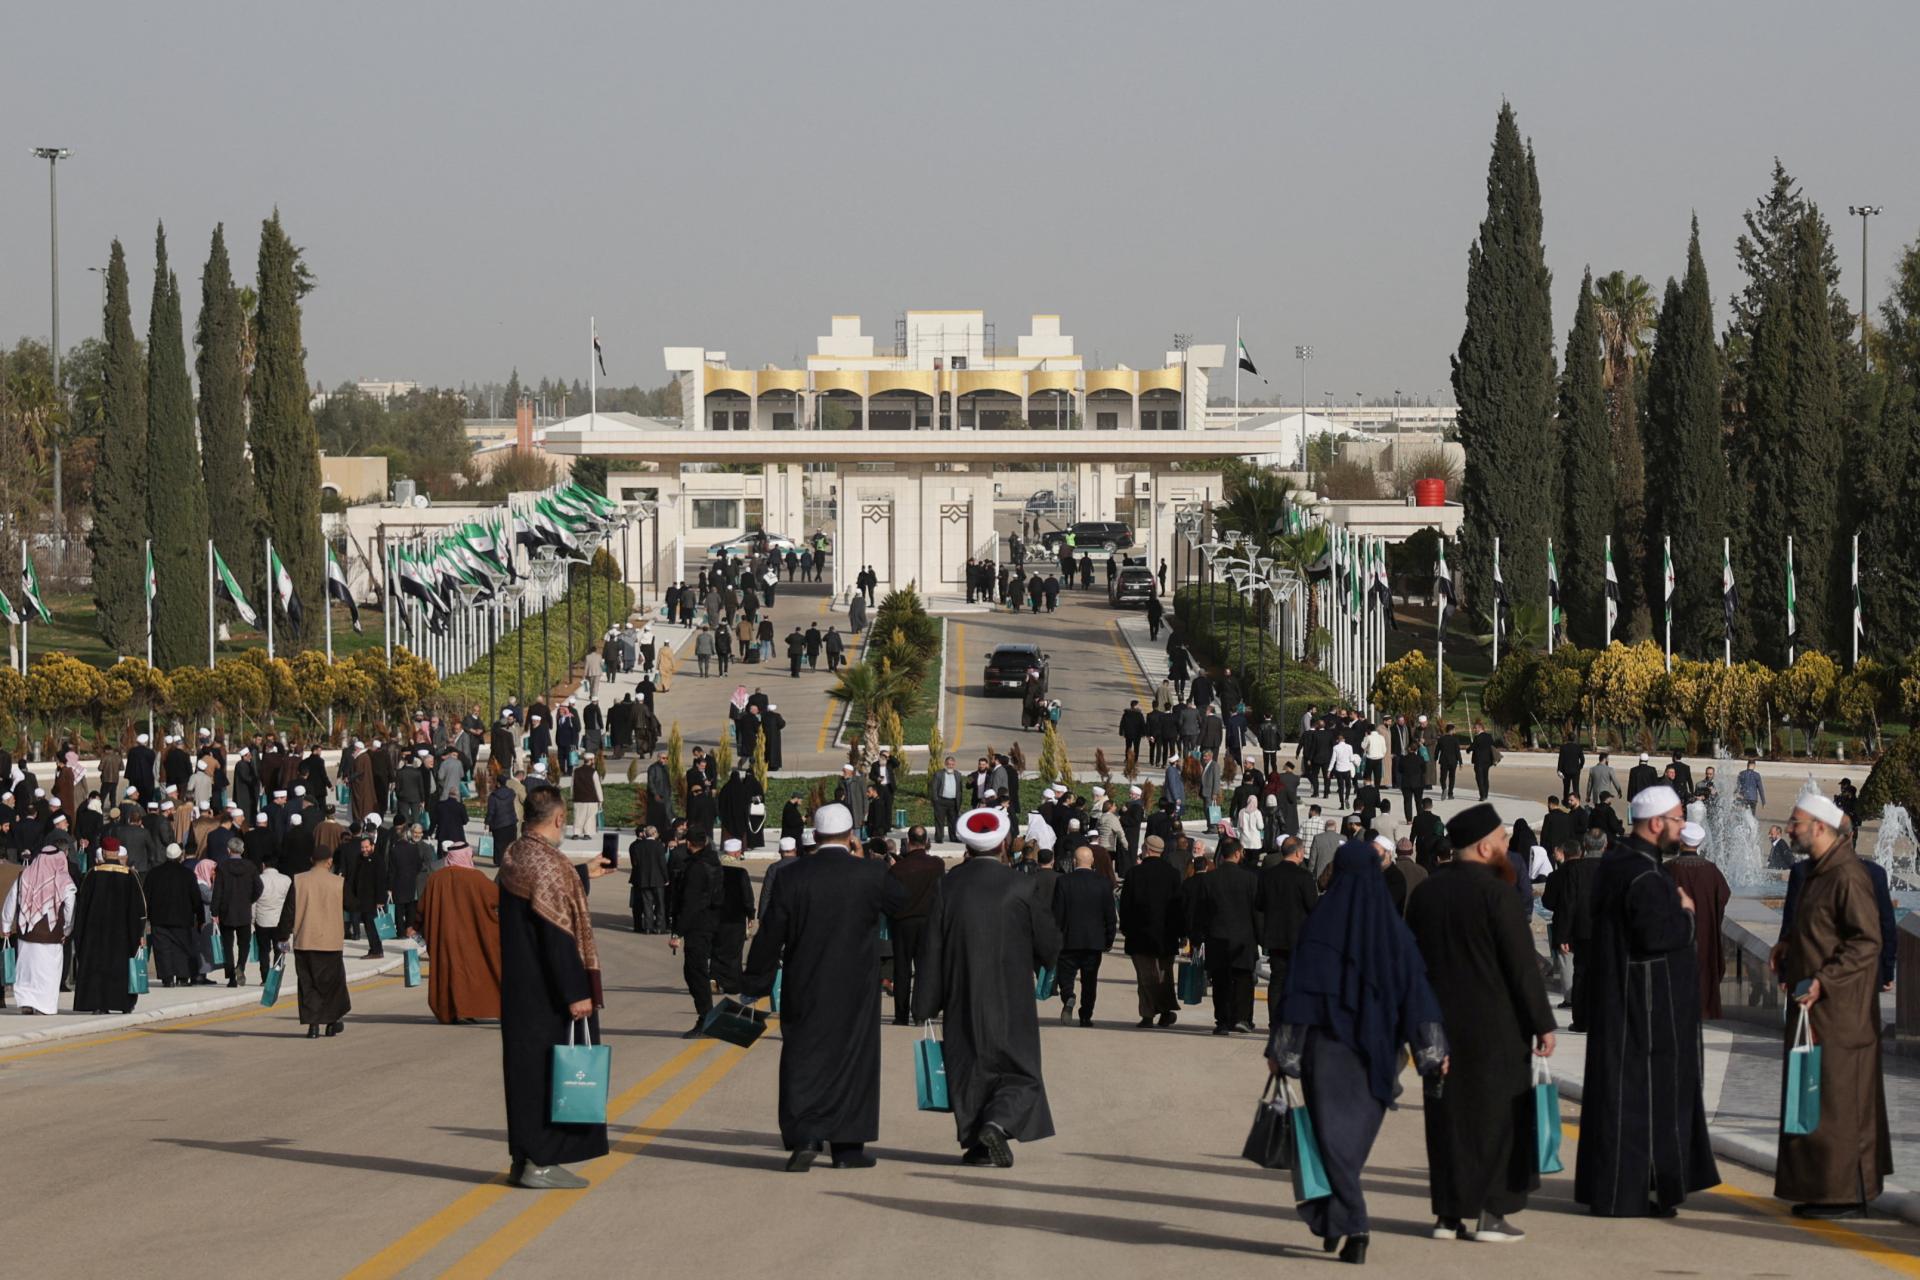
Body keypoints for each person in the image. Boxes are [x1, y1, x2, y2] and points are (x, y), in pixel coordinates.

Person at [1269, 842, 1448, 1264]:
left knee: (1333, 1144)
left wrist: (1283, 1048)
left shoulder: (1320, 926)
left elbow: (1298, 992)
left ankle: (1353, 1223)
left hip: (1326, 1054)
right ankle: (1342, 1220)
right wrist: (1431, 1049)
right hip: (1378, 1056)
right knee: (1345, 1146)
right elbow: (1417, 996)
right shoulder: (1395, 934)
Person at [1404, 803, 1557, 1243]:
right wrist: (1542, 1022)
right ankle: (1492, 1214)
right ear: (1485, 846)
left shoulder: (1427, 893)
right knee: (1498, 1120)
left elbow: (1410, 963)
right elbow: (1521, 965)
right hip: (1496, 1029)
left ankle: (1448, 1214)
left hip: (1439, 1028)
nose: (1508, 847)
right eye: (1503, 840)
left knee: (1447, 1120)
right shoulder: (1497, 895)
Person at [1574, 785, 1719, 1218]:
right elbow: (1657, 936)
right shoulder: (1644, 875)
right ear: (1656, 823)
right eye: (1677, 819)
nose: (1682, 827)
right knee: (1646, 1102)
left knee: (1623, 1098)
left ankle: (1620, 1189)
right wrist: (1687, 913)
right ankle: (1634, 1191)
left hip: (1624, 1001)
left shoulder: (1619, 863)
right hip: (1646, 1011)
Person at [742, 802, 907, 1171]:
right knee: (853, 1060)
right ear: (852, 836)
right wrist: (870, 861)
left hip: (805, 980)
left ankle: (805, 1136)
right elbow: (901, 903)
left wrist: (755, 981)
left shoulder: (792, 876)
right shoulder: (870, 873)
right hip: (855, 985)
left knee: (803, 1057)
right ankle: (847, 1148)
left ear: (814, 836)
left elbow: (771, 934)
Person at [913, 806, 1063, 1167]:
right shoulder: (1021, 885)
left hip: (962, 993)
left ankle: (978, 1145)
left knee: (970, 1067)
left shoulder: (948, 886)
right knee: (1019, 1070)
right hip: (1011, 995)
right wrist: (1046, 960)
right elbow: (1049, 942)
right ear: (1004, 844)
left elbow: (931, 947)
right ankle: (998, 1123)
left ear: (967, 846)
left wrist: (925, 1002)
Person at [1772, 793, 1892, 1218]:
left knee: (1841, 1105)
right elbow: (1820, 927)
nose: (1790, 829)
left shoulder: (1847, 875)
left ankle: (1845, 1194)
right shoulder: (1818, 872)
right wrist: (1789, 944)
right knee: (1816, 1103)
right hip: (1816, 1011)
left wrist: (1825, 979)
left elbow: (1867, 941)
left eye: (1796, 822)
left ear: (1819, 827)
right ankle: (1820, 1190)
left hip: (1842, 1014)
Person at [496, 784, 610, 1189]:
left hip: (521, 991)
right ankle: (541, 1162)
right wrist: (576, 992)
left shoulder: (517, 854)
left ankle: (524, 1158)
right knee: (554, 1076)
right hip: (549, 995)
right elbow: (556, 936)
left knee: (526, 1076)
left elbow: (540, 899)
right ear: (560, 818)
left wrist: (583, 873)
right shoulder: (549, 865)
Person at [419, 840, 503, 1024]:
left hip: (444, 937)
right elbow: (497, 898)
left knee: (449, 973)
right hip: (470, 938)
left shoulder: (435, 879)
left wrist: (415, 926)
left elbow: (422, 908)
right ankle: (468, 1009)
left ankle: (451, 1011)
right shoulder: (476, 878)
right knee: (471, 973)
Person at [70, 838, 147, 1014]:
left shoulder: (92, 875)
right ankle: (123, 1003)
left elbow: (82, 908)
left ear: (103, 853)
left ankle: (99, 1004)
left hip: (95, 934)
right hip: (122, 934)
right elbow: (139, 909)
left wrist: (80, 933)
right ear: (117, 853)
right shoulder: (130, 876)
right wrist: (138, 934)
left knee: (97, 967)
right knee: (120, 967)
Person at [1665, 820, 1732, 1020]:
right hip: (1705, 930)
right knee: (1703, 968)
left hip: (1676, 932)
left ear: (1681, 841)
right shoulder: (1711, 869)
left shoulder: (1670, 868)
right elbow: (1724, 894)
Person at [1192, 837, 1259, 1034]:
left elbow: (1201, 911)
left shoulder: (1209, 879)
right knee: (1243, 979)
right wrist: (1260, 936)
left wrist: (1197, 937)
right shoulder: (1250, 879)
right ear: (1238, 854)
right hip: (1244, 937)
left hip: (1217, 937)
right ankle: (1242, 1018)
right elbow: (1257, 911)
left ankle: (1222, 1021)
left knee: (1220, 981)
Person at [2, 846, 77, 1015]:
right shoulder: (65, 881)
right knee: (48, 972)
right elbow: (70, 908)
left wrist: (6, 925)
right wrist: (66, 930)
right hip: (52, 935)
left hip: (26, 933)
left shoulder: (24, 876)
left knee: (26, 970)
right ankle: (45, 1006)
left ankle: (27, 1003)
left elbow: (11, 902)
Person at [1119, 833, 1184, 1028]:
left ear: (1146, 849)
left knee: (1145, 976)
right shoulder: (1173, 874)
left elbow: (1125, 905)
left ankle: (1147, 1014)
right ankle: (1165, 1011)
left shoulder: (1134, 874)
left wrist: (1125, 928)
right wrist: (1181, 932)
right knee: (1164, 975)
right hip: (1166, 934)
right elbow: (1178, 906)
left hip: (1139, 933)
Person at [288, 840, 351, 1039]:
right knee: (333, 985)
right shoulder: (338, 882)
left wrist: (281, 936)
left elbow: (289, 910)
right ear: (329, 861)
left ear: (311, 860)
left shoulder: (298, 880)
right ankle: (332, 1023)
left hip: (305, 940)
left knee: (308, 985)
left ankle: (313, 1026)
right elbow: (353, 904)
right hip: (331, 942)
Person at [1254, 834, 1319, 1029]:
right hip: (1299, 937)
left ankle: (1275, 1021)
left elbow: (1259, 903)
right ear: (1298, 853)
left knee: (1277, 981)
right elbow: (1313, 907)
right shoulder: (1304, 876)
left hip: (1275, 937)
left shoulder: (1268, 875)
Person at [1541, 831, 1604, 1029]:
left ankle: (1581, 1020)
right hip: (1606, 931)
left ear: (1584, 846)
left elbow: (1569, 904)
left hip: (1582, 931)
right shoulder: (1612, 868)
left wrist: (1563, 936)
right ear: (1604, 846)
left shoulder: (1576, 870)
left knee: (1582, 973)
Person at [1052, 845, 1117, 1028]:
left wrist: (1055, 937)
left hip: (1069, 939)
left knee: (1066, 976)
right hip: (1094, 941)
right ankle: (1086, 1015)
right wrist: (1109, 939)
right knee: (1090, 981)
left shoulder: (1064, 881)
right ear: (1092, 861)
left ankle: (1068, 996)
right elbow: (1110, 915)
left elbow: (1057, 914)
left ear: (1074, 861)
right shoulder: (1103, 883)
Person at [886, 827, 944, 1026]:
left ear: (908, 841)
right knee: (924, 969)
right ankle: (921, 1013)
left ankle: (901, 1015)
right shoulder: (937, 865)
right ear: (926, 841)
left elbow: (889, 899)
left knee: (902, 970)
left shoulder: (898, 869)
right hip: (928, 921)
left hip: (903, 922)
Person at [669, 828, 723, 1034]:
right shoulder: (713, 862)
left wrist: (678, 932)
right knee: (696, 971)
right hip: (710, 922)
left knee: (695, 973)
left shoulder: (696, 868)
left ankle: (706, 1018)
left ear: (690, 843)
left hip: (698, 926)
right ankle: (707, 1016)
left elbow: (690, 903)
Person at [143, 842, 204, 987]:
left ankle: (167, 978)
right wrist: (200, 917)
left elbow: (146, 897)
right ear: (180, 856)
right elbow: (196, 898)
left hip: (159, 918)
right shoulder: (187, 874)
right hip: (183, 918)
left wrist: (146, 916)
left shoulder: (154, 873)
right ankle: (182, 977)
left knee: (162, 948)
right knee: (182, 948)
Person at [211, 833, 262, 986]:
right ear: (242, 850)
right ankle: (240, 966)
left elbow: (217, 890)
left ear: (228, 850)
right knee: (244, 944)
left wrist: (214, 911)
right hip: (244, 910)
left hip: (226, 910)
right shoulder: (250, 867)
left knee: (227, 945)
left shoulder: (222, 867)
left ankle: (231, 977)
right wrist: (249, 900)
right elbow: (259, 887)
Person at [1468, 722, 1498, 801]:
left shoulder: (1477, 737)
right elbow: (1493, 746)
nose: (1474, 729)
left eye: (1475, 728)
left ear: (1480, 728)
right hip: (1487, 761)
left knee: (1479, 778)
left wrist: (1468, 750)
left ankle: (1482, 795)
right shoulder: (1489, 736)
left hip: (1478, 761)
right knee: (1485, 777)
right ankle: (1486, 794)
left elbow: (1473, 747)